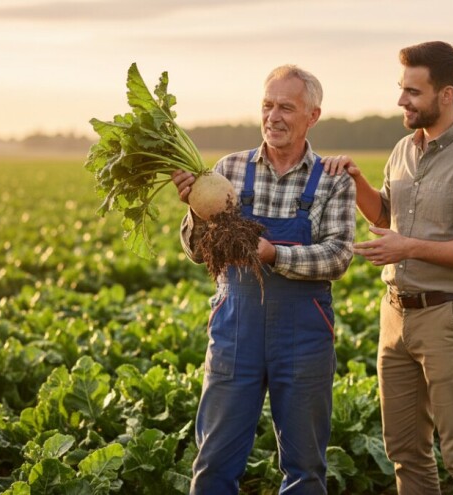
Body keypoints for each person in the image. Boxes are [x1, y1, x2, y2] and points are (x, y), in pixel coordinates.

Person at [323, 41, 453, 494]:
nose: (401, 100)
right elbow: (386, 217)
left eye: (412, 91)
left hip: (449, 319)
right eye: (401, 88)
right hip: (395, 318)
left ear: (445, 95)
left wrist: (409, 247)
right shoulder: (403, 150)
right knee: (405, 451)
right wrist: (357, 182)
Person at [172, 65, 356, 495]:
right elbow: (199, 253)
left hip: (304, 334)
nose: (273, 116)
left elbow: (338, 255)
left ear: (312, 116)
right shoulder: (227, 170)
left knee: (305, 467)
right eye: (267, 105)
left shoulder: (331, 179)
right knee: (215, 460)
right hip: (236, 327)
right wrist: (197, 213)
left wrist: (275, 254)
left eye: (286, 107)